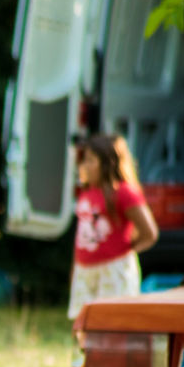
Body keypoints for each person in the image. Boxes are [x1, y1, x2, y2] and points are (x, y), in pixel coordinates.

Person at [67, 133, 159, 320]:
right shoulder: (87, 191)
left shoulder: (124, 193)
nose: (85, 165)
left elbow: (149, 233)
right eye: (85, 160)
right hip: (85, 271)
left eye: (91, 160)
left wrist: (122, 251)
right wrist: (76, 270)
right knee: (84, 322)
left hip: (113, 272)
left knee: (113, 321)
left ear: (107, 163)